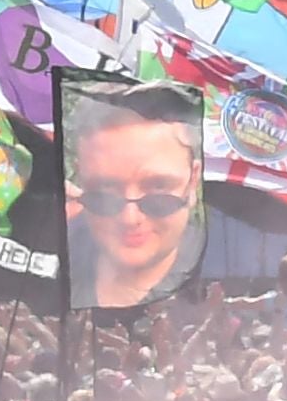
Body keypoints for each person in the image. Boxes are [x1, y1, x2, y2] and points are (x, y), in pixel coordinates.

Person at [65, 96, 207, 312]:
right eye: (105, 193)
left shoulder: (219, 279)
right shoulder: (57, 248)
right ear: (82, 178)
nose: (129, 219)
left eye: (158, 190)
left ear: (193, 182)